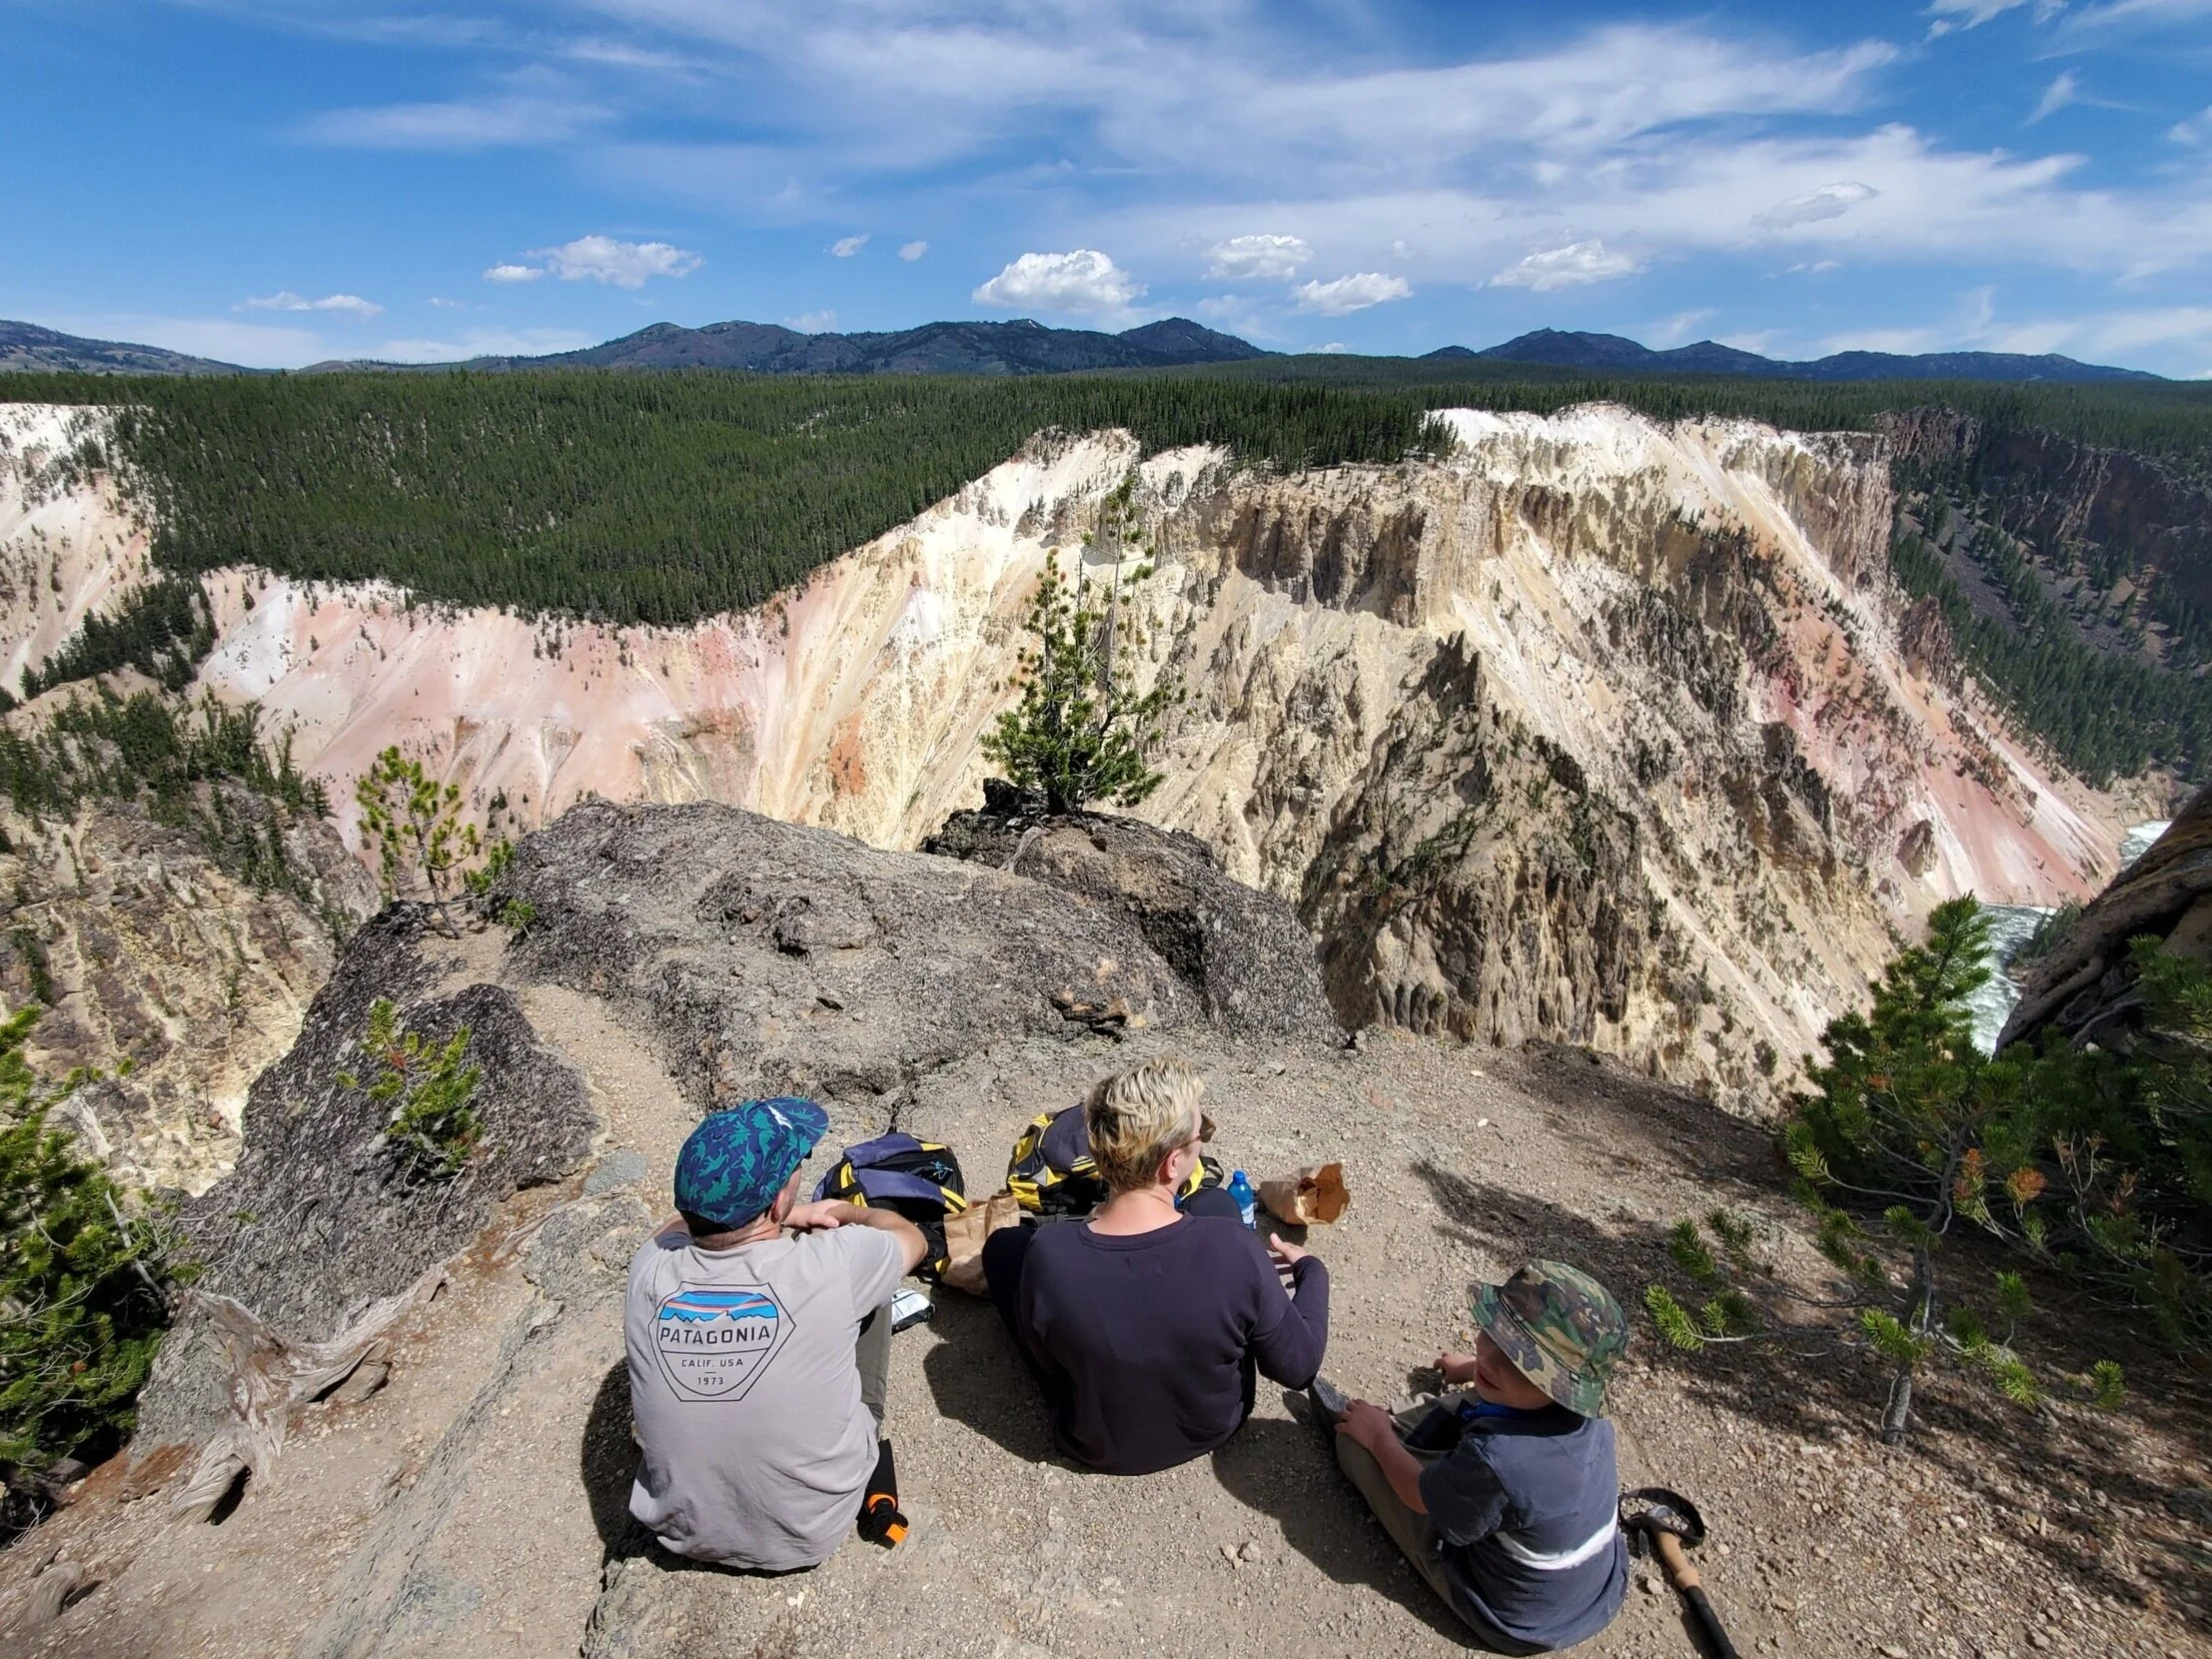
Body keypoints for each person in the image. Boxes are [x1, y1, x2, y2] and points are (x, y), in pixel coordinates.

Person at [982, 1056, 1329, 1475]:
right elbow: (1299, 1367)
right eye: (1203, 1134)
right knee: (1216, 1204)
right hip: (1215, 1426)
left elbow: (1046, 1355)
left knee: (1003, 1246)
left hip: (1091, 1441)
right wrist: (1312, 1271)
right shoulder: (1233, 1248)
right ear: (1172, 1163)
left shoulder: (1048, 1252)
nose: (1205, 1140)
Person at [624, 1095, 928, 1572]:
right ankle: (866, 1421)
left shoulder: (650, 1268)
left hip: (676, 1529)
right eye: (797, 1166)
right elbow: (910, 1238)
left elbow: (671, 1227)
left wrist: (776, 1213)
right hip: (809, 1531)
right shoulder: (831, 1265)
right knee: (876, 1286)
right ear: (778, 1199)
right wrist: (842, 1213)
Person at [1316, 1261, 1631, 1655]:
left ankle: (1385, 1427)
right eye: (1492, 1333)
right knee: (1485, 1397)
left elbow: (1418, 1496)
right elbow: (1503, 1379)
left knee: (1356, 1446)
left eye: (1520, 1361)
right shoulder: (1588, 1417)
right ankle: (1407, 1429)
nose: (1489, 1356)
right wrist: (1472, 1368)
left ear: (1560, 1387)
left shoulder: (1501, 1460)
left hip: (1512, 1617)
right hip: (1595, 1590)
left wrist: (1378, 1439)